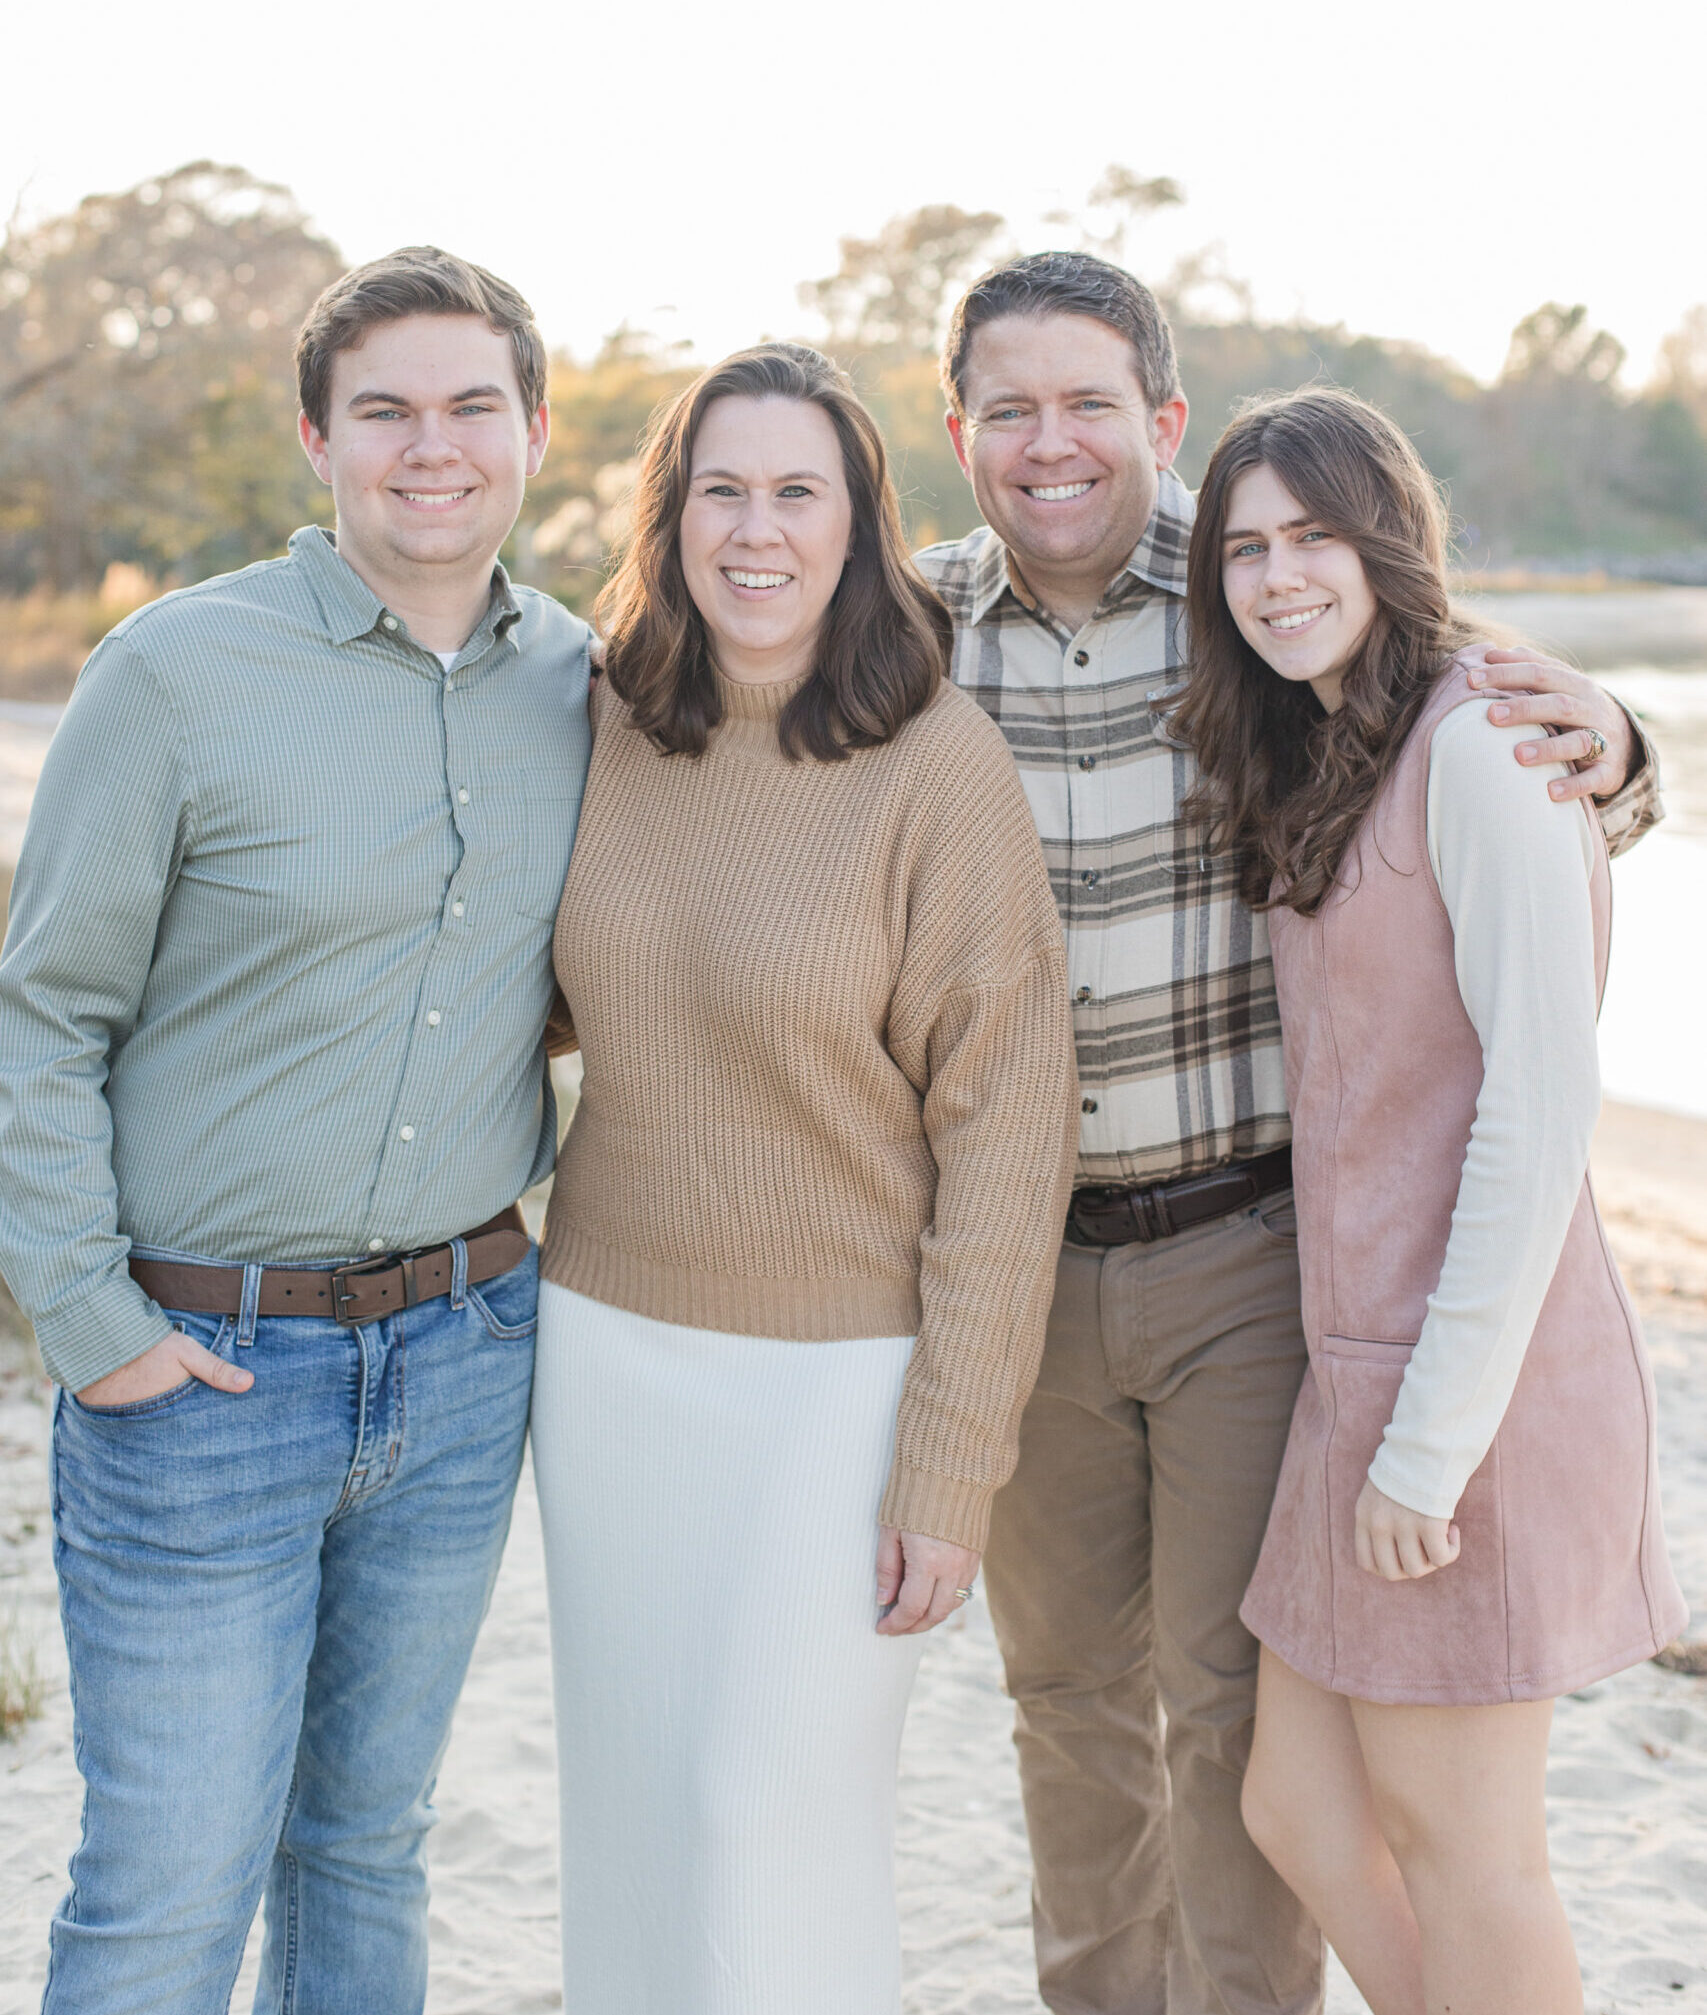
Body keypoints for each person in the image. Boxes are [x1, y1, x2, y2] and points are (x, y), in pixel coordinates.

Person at [914, 251, 1664, 2015]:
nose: (1051, 442)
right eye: (1008, 408)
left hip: (1264, 1263)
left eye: (1089, 401)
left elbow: (1502, 866)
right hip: (1045, 1271)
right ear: (959, 433)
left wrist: (1623, 749)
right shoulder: (914, 625)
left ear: (1159, 420)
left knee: (1279, 1750)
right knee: (1107, 1725)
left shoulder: (1259, 592)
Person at [0, 247, 592, 2013]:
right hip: (198, 1370)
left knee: (365, 1847)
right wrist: (97, 1332)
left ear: (535, 431)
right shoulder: (174, 673)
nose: (433, 447)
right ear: (318, 438)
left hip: (471, 1350)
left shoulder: (582, 675)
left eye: (471, 404)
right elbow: (39, 1018)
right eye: (386, 410)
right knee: (171, 1885)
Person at [529, 341, 1078, 2013]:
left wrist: (953, 1460)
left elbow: (1008, 1129)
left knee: (766, 1808)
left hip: (848, 1380)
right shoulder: (598, 722)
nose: (754, 531)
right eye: (722, 491)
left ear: (858, 526)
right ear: (669, 514)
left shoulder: (937, 764)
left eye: (797, 494)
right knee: (632, 1812)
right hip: (608, 1355)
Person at [1170, 386, 1684, 2015]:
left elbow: (1540, 1113)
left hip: (1478, 1389)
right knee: (1298, 1808)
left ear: (1387, 537)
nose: (1277, 575)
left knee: (1469, 1848)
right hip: (1360, 1370)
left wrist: (1432, 1442)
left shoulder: (1484, 738)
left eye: (1314, 533)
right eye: (1246, 546)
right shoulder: (1336, 746)